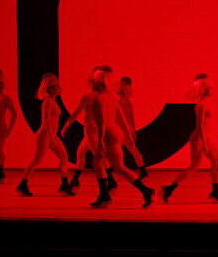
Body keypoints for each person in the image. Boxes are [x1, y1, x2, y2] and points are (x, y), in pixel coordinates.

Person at [86, 66, 155, 208]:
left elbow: (102, 121)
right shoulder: (112, 96)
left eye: (94, 81)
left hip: (108, 134)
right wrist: (128, 134)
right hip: (116, 132)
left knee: (100, 163)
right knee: (117, 167)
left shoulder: (99, 98)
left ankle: (105, 195)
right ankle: (145, 191)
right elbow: (122, 117)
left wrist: (100, 141)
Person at [162, 73, 218, 204]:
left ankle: (215, 192)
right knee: (193, 167)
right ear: (204, 89)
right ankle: (168, 190)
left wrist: (207, 140)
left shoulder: (205, 103)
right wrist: (205, 143)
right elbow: (200, 126)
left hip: (205, 137)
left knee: (216, 162)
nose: (211, 89)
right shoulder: (201, 105)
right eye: (209, 87)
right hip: (199, 138)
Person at [16, 73, 75, 196]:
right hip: (45, 135)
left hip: (51, 135)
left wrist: (53, 135)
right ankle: (23, 185)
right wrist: (51, 135)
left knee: (64, 158)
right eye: (56, 86)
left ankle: (64, 185)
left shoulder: (52, 101)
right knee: (36, 160)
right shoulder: (48, 102)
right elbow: (46, 120)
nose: (58, 88)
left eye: (58, 86)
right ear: (50, 89)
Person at [61, 68, 113, 190]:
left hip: (91, 130)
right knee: (80, 152)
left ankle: (110, 181)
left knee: (99, 157)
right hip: (93, 130)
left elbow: (76, 113)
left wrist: (66, 125)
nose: (90, 82)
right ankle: (76, 179)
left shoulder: (91, 97)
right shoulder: (103, 96)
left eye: (91, 80)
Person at [117, 76, 149, 180]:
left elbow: (127, 118)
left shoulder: (120, 102)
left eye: (120, 84)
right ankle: (142, 169)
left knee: (114, 150)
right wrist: (133, 130)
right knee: (133, 150)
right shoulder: (127, 101)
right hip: (126, 129)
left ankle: (112, 173)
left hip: (122, 129)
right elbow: (131, 118)